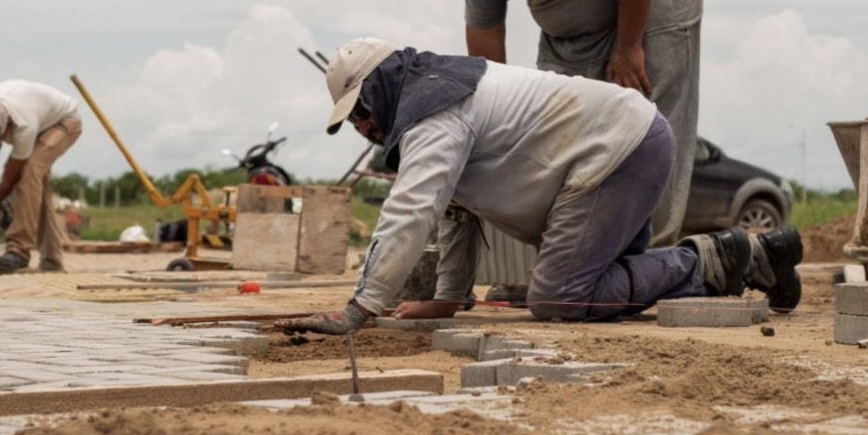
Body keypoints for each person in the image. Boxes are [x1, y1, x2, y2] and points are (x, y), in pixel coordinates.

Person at [277, 38, 801, 336]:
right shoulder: (439, 97)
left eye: (361, 113)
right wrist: (447, 298)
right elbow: (454, 210)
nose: (364, 128)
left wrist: (360, 307)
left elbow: (410, 210)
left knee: (559, 297)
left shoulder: (433, 117)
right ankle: (754, 259)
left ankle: (725, 257)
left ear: (379, 90)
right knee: (606, 284)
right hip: (626, 143)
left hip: (618, 150)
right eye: (354, 124)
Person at [429, 0, 701, 248]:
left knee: (650, 124)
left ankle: (655, 259)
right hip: (570, 28)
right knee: (555, 129)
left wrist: (628, 48)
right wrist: (492, 115)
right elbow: (485, 31)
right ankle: (574, 256)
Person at [0, 80, 82, 273]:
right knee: (36, 186)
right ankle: (52, 262)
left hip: (64, 122)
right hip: (40, 116)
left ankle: (19, 250)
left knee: (29, 173)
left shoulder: (24, 124)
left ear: (7, 124)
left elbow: (9, 180)